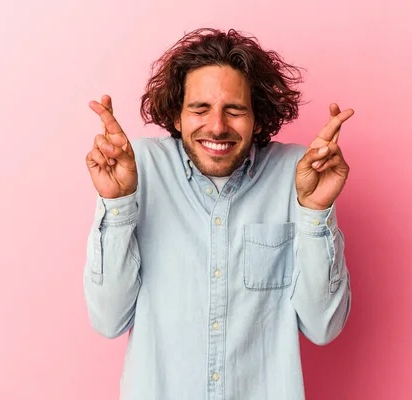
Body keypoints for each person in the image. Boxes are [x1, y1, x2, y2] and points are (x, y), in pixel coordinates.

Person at [83, 28, 353, 400]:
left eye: (235, 110)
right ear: (176, 117)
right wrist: (118, 205)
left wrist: (314, 213)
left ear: (257, 119)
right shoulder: (137, 169)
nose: (217, 126)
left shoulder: (299, 175)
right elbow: (108, 320)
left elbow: (323, 327)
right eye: (200, 108)